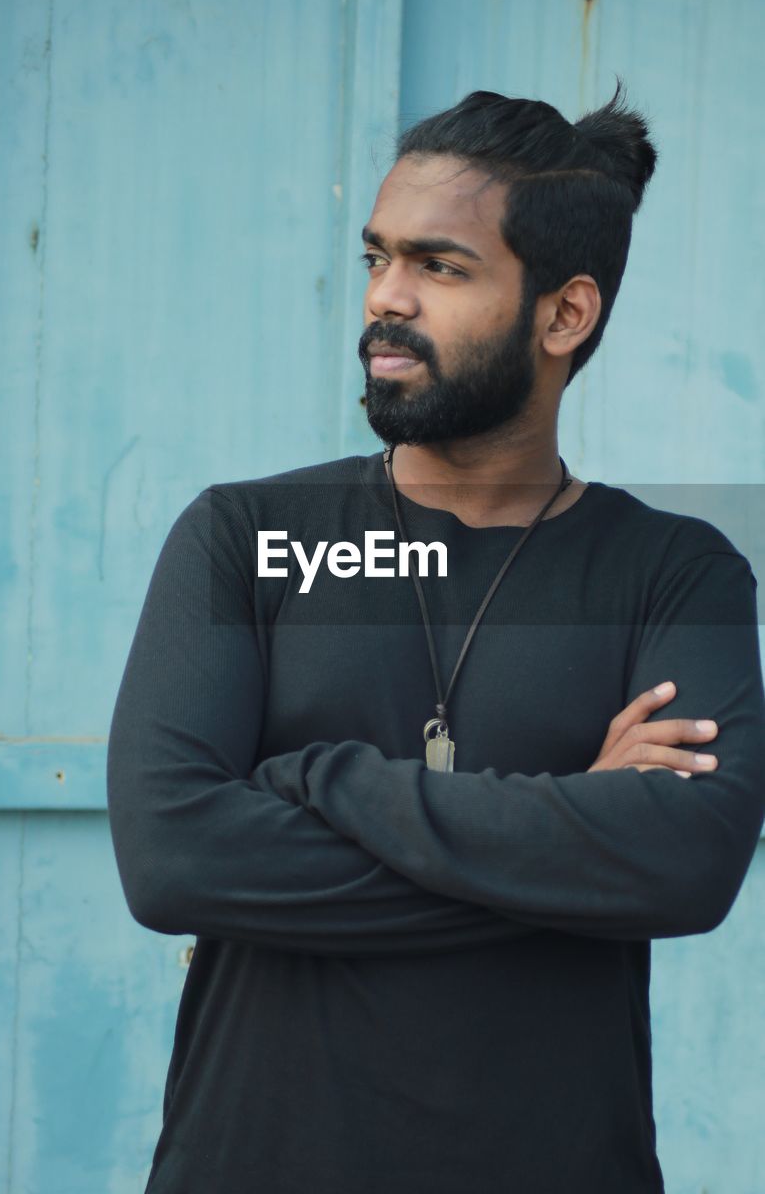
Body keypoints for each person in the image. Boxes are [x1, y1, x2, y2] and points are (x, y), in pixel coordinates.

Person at [106, 77, 765, 1194]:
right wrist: (563, 837)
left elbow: (682, 866)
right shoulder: (249, 534)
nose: (384, 299)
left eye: (438, 266)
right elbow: (174, 856)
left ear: (564, 313)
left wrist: (320, 780)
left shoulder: (675, 568)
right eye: (377, 258)